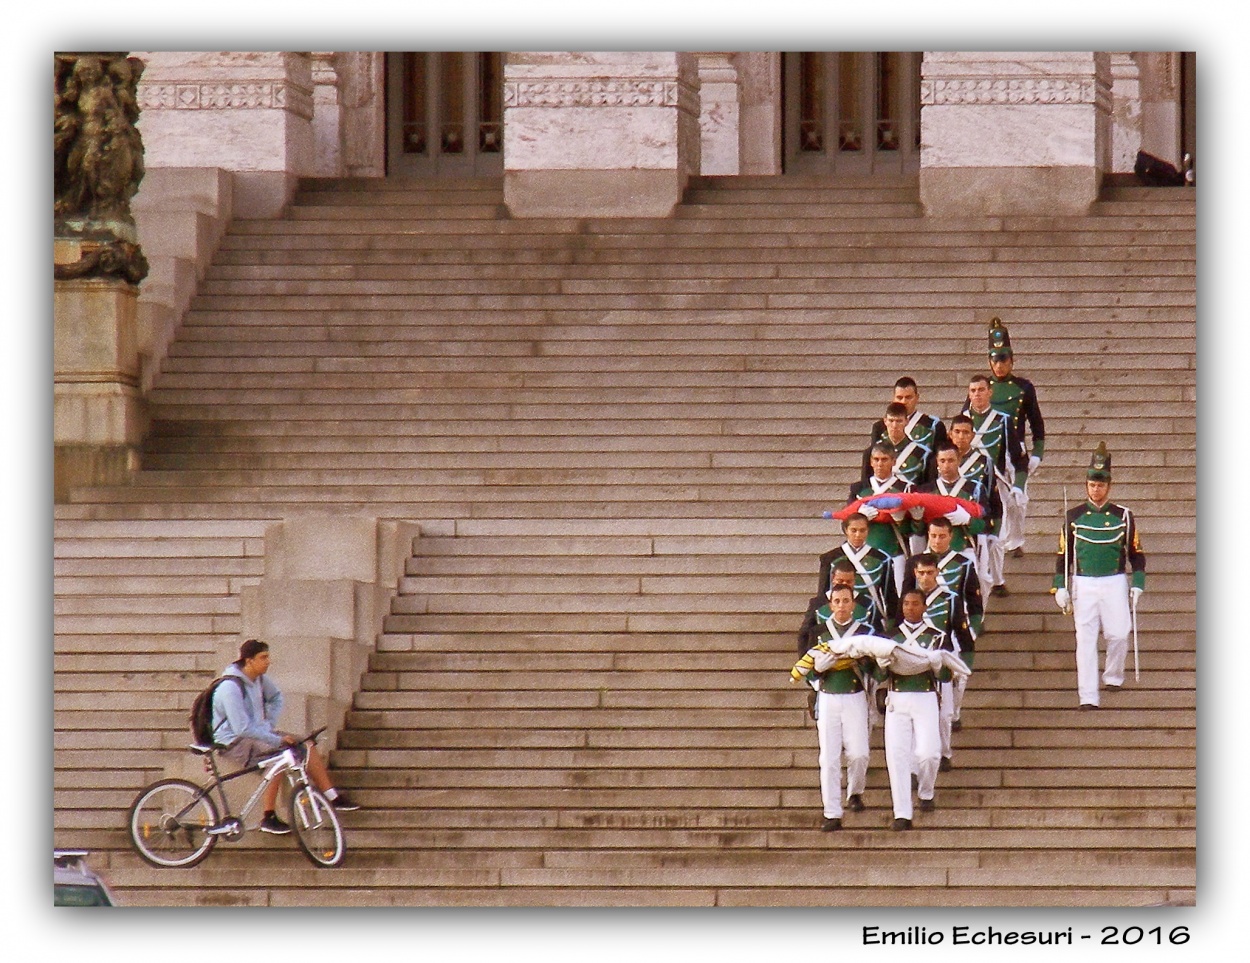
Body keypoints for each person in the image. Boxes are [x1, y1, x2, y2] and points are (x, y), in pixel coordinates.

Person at [212, 639, 360, 833]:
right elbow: (241, 729)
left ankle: (331, 797)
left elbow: (276, 697)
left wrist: (268, 724)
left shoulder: (259, 679)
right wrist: (275, 738)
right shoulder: (229, 688)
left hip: (256, 734)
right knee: (278, 756)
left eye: (267, 656)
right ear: (248, 661)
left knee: (306, 745)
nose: (268, 661)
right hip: (232, 741)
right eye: (263, 657)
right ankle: (268, 817)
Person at [1053, 444, 1146, 709]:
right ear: (1086, 486)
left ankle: (1114, 675)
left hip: (1114, 580)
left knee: (1118, 634)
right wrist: (1060, 586)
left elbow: (1136, 553)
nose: (1096, 489)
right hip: (1083, 582)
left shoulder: (1123, 516)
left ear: (1109, 486)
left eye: (1101, 485)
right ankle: (1088, 696)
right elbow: (1063, 555)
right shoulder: (1074, 516)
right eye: (1092, 485)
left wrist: (1138, 583)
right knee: (1085, 640)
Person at [790, 584, 873, 830]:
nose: (841, 606)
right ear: (830, 604)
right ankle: (832, 812)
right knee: (829, 757)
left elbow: (875, 668)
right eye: (837, 601)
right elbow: (807, 668)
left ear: (853, 604)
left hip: (854, 693)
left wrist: (864, 661)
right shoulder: (819, 633)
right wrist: (818, 670)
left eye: (846, 601)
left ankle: (856, 791)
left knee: (859, 753)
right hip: (828, 695)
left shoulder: (864, 631)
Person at [878, 589, 943, 830]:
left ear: (924, 607)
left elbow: (947, 675)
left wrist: (938, 666)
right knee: (897, 757)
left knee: (929, 753)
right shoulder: (891, 636)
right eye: (906, 604)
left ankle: (926, 792)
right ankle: (902, 812)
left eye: (915, 604)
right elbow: (878, 674)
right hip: (897, 697)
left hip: (925, 696)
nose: (910, 608)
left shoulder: (936, 635)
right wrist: (882, 666)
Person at [984, 319, 1046, 558]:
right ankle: (1000, 540)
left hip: (1014, 451)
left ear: (1011, 360)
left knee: (1018, 500)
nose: (999, 366)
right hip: (989, 451)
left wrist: (1037, 453)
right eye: (995, 360)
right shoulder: (982, 388)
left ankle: (1016, 539)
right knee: (996, 500)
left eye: (1003, 360)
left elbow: (1036, 423)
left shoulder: (1024, 388)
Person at [960, 379, 1027, 597]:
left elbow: (1017, 456)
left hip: (995, 483)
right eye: (973, 391)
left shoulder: (1003, 421)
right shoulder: (962, 422)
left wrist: (1018, 485)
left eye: (981, 390)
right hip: (965, 485)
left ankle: (998, 580)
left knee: (998, 536)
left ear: (990, 392)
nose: (977, 394)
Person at [908, 554, 975, 772]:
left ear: (937, 572)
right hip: (915, 659)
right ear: (914, 574)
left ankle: (945, 752)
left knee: (945, 713)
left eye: (929, 572)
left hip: (942, 657)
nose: (925, 577)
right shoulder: (908, 599)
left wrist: (963, 663)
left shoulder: (950, 598)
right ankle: (917, 761)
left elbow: (961, 632)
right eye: (921, 573)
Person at [947, 414, 1004, 605]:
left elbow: (993, 500)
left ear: (972, 435)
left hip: (975, 528)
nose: (961, 437)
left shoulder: (983, 462)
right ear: (950, 434)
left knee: (981, 578)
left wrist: (993, 530)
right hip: (944, 530)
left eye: (965, 432)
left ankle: (977, 617)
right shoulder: (938, 460)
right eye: (957, 432)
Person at [849, 442, 919, 593]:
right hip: (866, 551)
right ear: (871, 462)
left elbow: (915, 528)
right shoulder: (859, 488)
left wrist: (901, 520)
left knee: (898, 596)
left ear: (893, 462)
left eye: (884, 459)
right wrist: (859, 516)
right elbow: (846, 522)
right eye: (876, 459)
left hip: (895, 552)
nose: (880, 464)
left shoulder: (906, 488)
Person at [861, 401, 937, 488]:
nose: (894, 425)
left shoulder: (922, 453)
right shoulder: (871, 452)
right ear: (885, 421)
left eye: (899, 421)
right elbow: (865, 485)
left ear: (907, 421)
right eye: (891, 420)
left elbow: (926, 486)